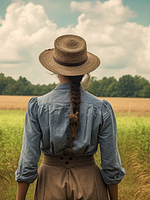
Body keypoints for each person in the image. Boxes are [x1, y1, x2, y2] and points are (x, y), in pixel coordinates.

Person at [15, 34, 125, 200]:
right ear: (85, 72)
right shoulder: (101, 108)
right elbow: (111, 164)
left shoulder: (37, 107)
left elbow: (28, 161)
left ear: (55, 70)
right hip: (90, 184)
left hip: (49, 184)